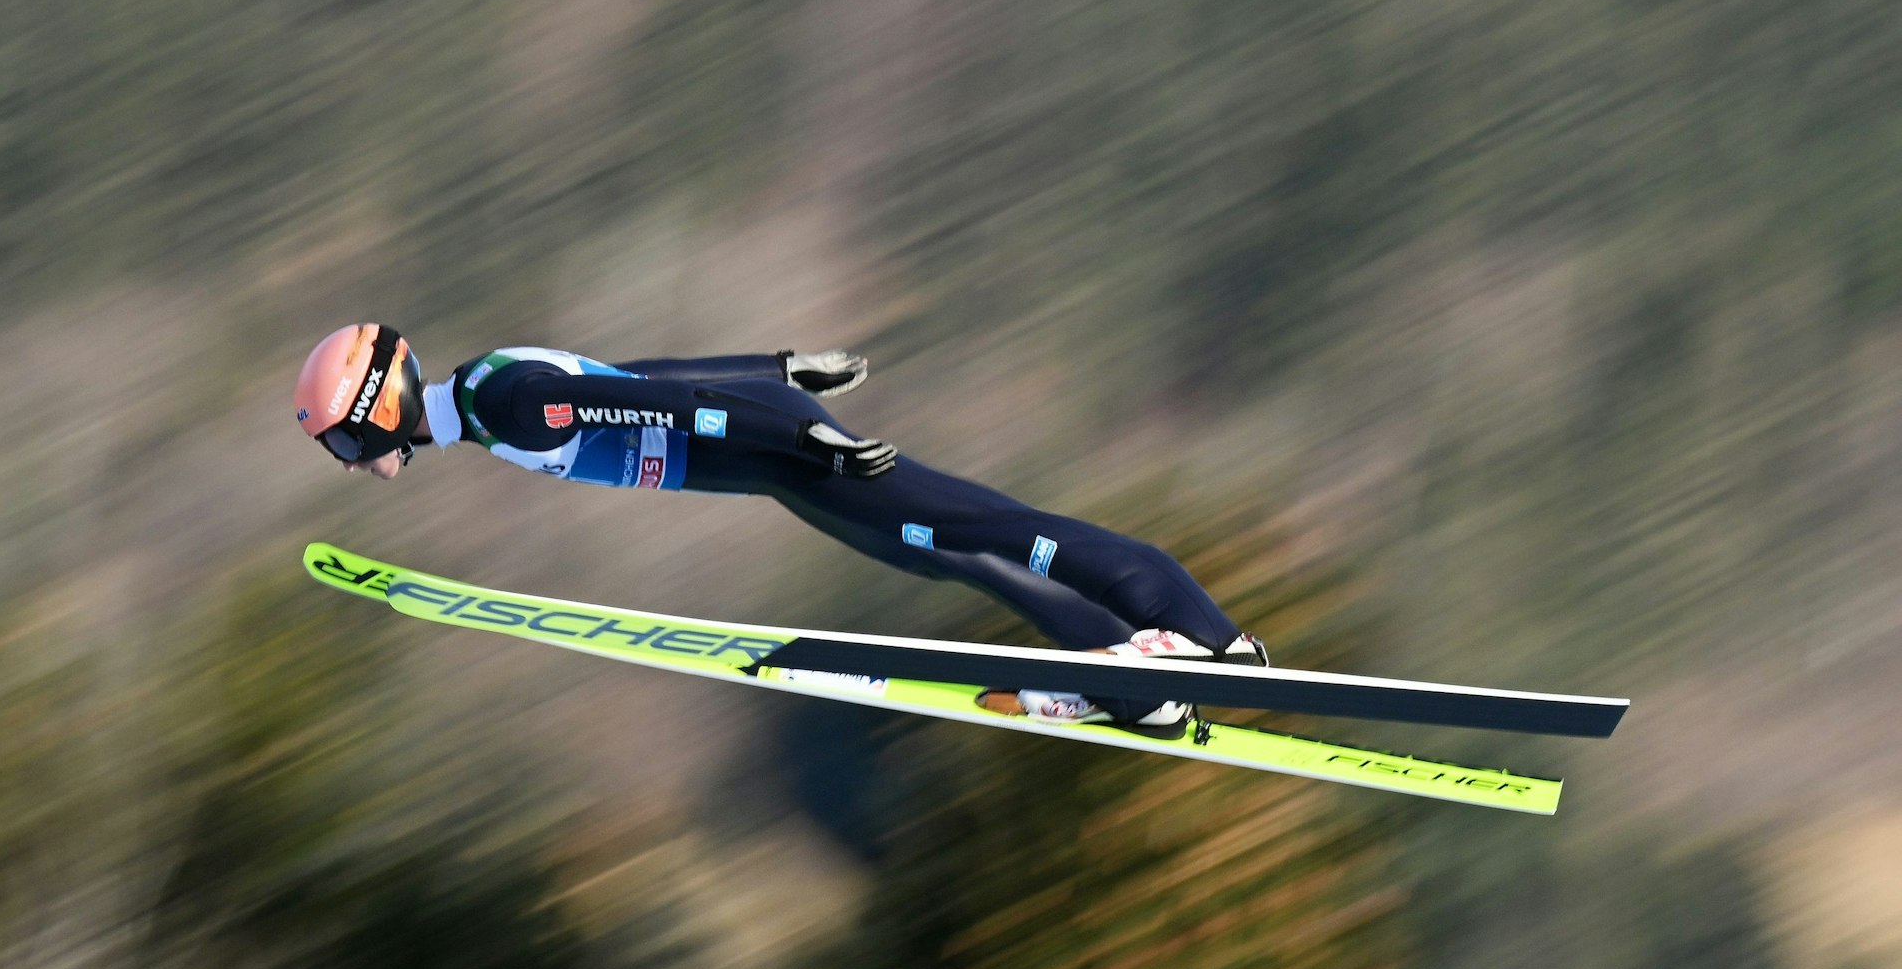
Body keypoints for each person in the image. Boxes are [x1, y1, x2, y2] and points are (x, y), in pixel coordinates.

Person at [294, 323, 1266, 738]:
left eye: (343, 435)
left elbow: (678, 410)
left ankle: (1167, 654)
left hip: (780, 449)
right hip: (776, 453)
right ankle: (1174, 660)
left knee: (980, 532)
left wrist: (807, 436)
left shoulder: (506, 404)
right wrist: (779, 364)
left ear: (377, 406)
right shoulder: (485, 389)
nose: (346, 457)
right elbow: (644, 373)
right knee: (957, 547)